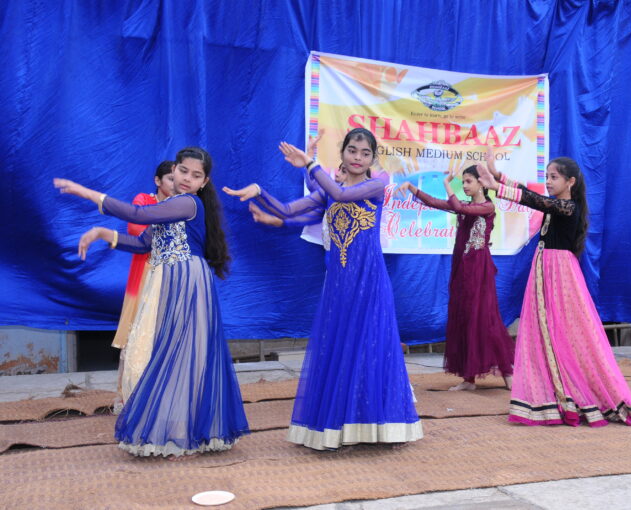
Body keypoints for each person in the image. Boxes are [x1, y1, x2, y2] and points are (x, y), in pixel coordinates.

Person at [224, 128, 422, 450]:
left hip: (369, 280)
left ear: (373, 159)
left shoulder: (377, 184)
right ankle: (342, 425)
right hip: (340, 282)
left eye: (365, 153)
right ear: (342, 153)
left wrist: (309, 163)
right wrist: (260, 191)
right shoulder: (329, 192)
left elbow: (342, 195)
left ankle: (376, 425)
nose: (357, 158)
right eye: (352, 151)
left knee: (370, 344)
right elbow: (289, 211)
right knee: (340, 346)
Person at [54, 147, 250, 456]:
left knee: (181, 354)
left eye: (195, 175)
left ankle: (183, 427)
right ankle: (178, 424)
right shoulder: (171, 205)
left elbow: (137, 215)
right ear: (174, 170)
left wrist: (86, 192)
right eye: (183, 171)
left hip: (187, 282)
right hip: (168, 281)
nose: (187, 179)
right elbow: (142, 243)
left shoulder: (187, 203)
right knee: (170, 353)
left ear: (204, 181)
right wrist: (104, 233)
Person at [477, 158, 631, 427]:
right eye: (547, 176)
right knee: (548, 331)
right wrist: (500, 177)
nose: (548, 181)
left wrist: (496, 187)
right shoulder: (558, 204)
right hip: (546, 269)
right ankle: (553, 392)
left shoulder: (567, 207)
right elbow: (533, 195)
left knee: (565, 331)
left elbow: (533, 201)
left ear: (570, 182)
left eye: (554, 177)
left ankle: (574, 392)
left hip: (558, 273)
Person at [398, 166, 515, 391]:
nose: (465, 186)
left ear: (482, 183)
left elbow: (457, 206)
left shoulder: (487, 207)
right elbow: (436, 203)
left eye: (469, 181)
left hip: (479, 270)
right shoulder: (467, 207)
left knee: (485, 317)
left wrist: (446, 184)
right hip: (462, 268)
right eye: (463, 182)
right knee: (465, 318)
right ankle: (468, 378)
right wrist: (413, 188)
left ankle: (508, 372)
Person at [113, 160, 174, 410]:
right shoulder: (144, 201)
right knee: (134, 335)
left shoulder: (182, 204)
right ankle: (124, 394)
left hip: (171, 278)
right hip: (144, 276)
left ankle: (163, 395)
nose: (175, 182)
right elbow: (136, 229)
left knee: (166, 336)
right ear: (157, 181)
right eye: (169, 178)